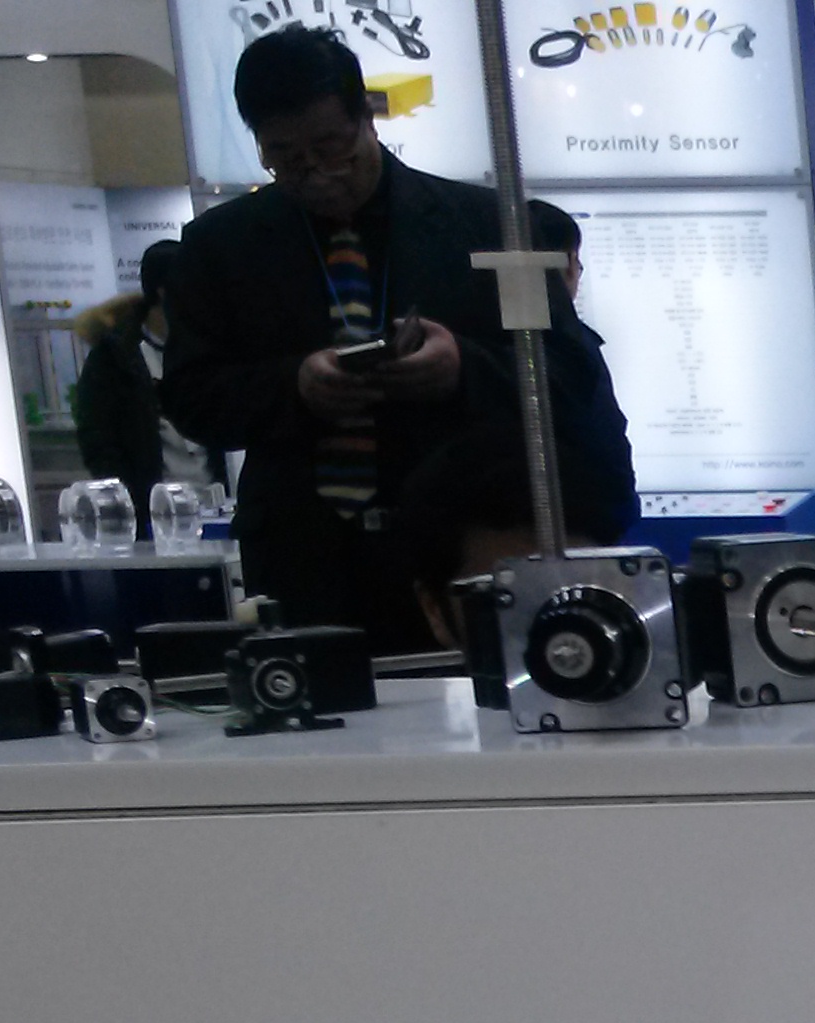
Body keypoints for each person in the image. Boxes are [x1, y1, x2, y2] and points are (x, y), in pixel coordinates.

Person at [163, 25, 633, 647]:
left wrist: (462, 368)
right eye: (284, 156)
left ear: (368, 117)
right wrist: (295, 386)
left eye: (330, 146)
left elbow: (567, 371)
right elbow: (191, 395)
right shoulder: (220, 246)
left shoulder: (488, 224)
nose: (314, 172)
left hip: (461, 546)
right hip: (305, 556)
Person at [68, 238, 197, 525]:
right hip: (152, 514)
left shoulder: (204, 350)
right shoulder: (115, 359)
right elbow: (98, 439)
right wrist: (130, 502)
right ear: (164, 291)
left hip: (216, 506)